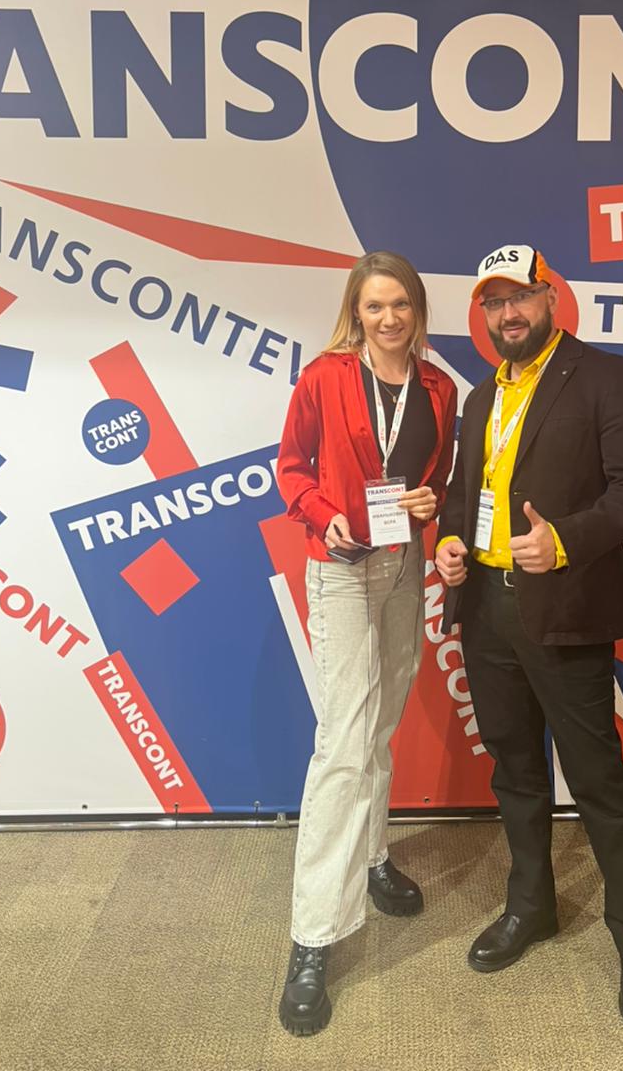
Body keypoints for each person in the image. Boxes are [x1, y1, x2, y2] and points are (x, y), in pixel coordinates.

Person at [435, 243, 623, 1031]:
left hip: (566, 607)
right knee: (515, 772)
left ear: (550, 298)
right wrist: (453, 541)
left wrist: (564, 539)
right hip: (486, 611)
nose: (507, 314)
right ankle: (531, 906)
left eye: (519, 298)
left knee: (599, 780)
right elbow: (466, 493)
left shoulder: (607, 376)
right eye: (493, 302)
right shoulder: (481, 398)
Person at [275, 250, 457, 1036]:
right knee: (343, 744)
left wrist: (429, 503)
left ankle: (375, 854)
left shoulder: (440, 388)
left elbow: (440, 478)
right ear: (357, 311)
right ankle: (313, 937)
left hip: (406, 564)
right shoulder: (324, 377)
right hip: (343, 570)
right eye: (375, 305)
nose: (389, 318)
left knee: (379, 727)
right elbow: (290, 469)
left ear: (417, 311)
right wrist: (324, 517)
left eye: (401, 305)